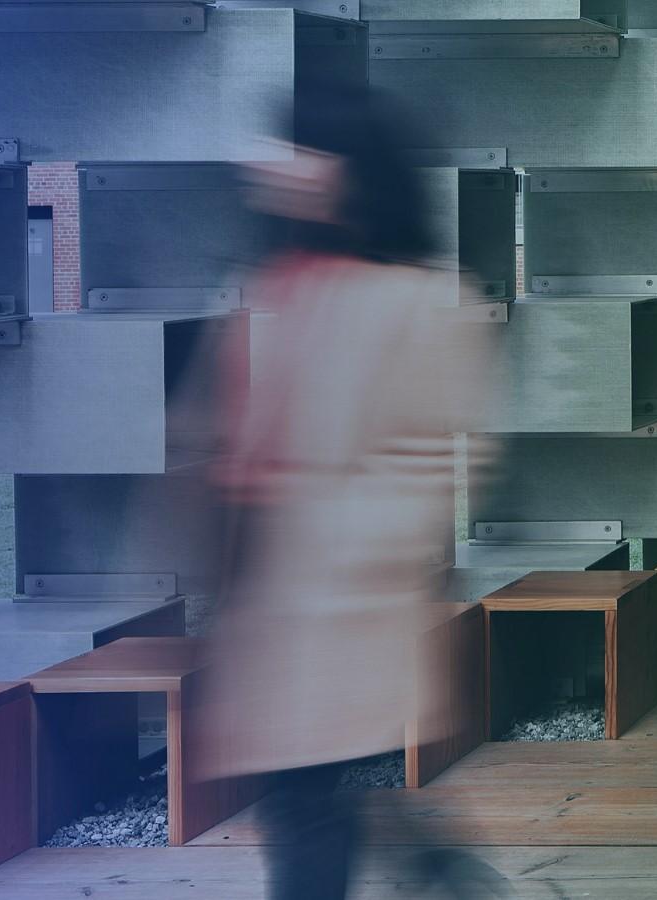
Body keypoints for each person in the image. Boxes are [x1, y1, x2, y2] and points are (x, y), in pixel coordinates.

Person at [189, 86, 503, 899]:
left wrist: (373, 544)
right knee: (312, 785)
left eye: (303, 151)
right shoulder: (272, 285)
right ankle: (445, 875)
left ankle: (444, 874)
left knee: (306, 793)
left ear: (352, 172)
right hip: (276, 588)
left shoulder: (425, 299)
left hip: (347, 584)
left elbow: (442, 450)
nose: (276, 167)